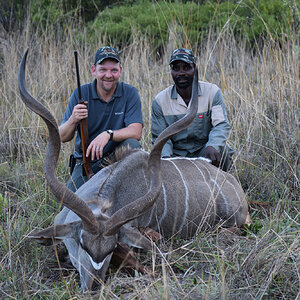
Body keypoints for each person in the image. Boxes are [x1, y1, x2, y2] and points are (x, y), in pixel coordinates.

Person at [60, 46, 143, 191]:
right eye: (103, 70)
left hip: (117, 161)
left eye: (114, 70)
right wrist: (73, 119)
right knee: (67, 206)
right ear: (94, 70)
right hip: (87, 163)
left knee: (133, 146)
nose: (108, 75)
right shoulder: (80, 93)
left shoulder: (130, 93)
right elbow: (62, 136)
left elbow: (136, 132)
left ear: (120, 71)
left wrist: (108, 134)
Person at [151, 48, 234, 171]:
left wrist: (213, 146)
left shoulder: (212, 92)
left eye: (186, 67)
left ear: (195, 69)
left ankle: (222, 187)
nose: (181, 73)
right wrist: (166, 160)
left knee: (223, 150)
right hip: (176, 157)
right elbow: (161, 138)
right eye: (176, 68)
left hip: (204, 153)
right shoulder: (160, 101)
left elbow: (221, 125)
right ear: (171, 71)